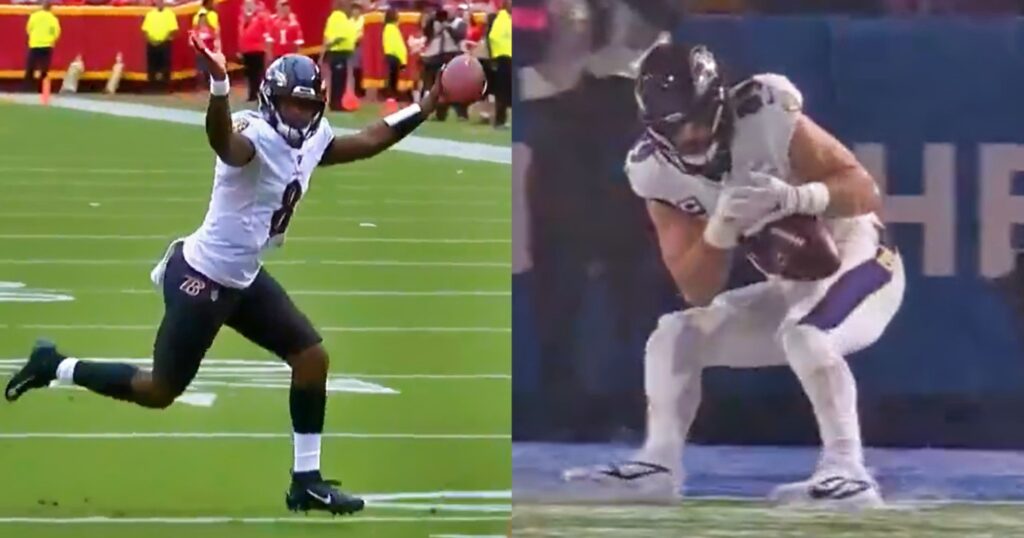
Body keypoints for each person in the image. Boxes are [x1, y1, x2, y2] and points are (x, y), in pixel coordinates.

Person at [4, 32, 459, 516]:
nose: (299, 116)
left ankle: (306, 481)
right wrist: (220, 84)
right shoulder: (254, 135)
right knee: (160, 391)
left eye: (307, 107)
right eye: (290, 105)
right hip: (201, 278)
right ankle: (54, 365)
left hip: (243, 276)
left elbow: (368, 139)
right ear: (269, 101)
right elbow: (224, 142)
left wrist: (426, 105)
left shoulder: (312, 139)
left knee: (311, 359)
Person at [563, 40, 905, 508]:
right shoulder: (653, 174)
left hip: (865, 256)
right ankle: (659, 465)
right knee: (674, 334)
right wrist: (718, 234)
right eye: (682, 125)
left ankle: (849, 471)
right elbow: (696, 289)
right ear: (657, 130)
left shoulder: (764, 110)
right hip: (796, 284)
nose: (698, 132)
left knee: (806, 336)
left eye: (705, 115)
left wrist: (796, 198)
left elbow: (864, 191)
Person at [420, 6, 467, 121]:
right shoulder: (435, 23)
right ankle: (433, 113)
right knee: (434, 86)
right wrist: (431, 20)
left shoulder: (459, 23)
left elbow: (459, 36)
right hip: (435, 56)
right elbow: (427, 34)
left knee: (454, 87)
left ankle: (461, 114)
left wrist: (447, 27)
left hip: (451, 55)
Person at [322, 0, 356, 111]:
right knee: (338, 79)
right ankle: (336, 104)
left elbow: (327, 35)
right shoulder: (338, 17)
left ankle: (336, 102)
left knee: (340, 78)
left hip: (340, 52)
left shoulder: (336, 17)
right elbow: (339, 35)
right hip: (338, 52)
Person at [141, 0, 179, 92]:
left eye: (161, 1)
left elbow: (173, 29)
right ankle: (152, 86)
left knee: (165, 65)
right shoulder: (150, 14)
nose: (159, 3)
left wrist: (163, 40)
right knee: (152, 65)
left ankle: (165, 87)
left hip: (164, 43)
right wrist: (150, 40)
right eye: (158, 1)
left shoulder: (170, 14)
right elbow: (145, 30)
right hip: (151, 43)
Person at [24, 0, 60, 92]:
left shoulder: (34, 16)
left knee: (30, 68)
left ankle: (28, 88)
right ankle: (41, 89)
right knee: (44, 69)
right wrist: (51, 40)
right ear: (50, 8)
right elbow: (56, 33)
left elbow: (28, 29)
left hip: (34, 44)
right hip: (47, 46)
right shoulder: (53, 18)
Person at [238, 0, 271, 102]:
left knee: (258, 73)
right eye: (246, 5)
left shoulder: (260, 17)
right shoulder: (242, 19)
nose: (248, 7)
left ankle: (260, 93)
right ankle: (252, 94)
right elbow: (241, 36)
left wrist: (267, 48)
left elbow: (266, 33)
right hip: (246, 51)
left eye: (250, 5)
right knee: (249, 74)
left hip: (257, 50)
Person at [486, 0, 511, 128]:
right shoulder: (502, 19)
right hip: (504, 58)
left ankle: (502, 119)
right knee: (502, 92)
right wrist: (496, 55)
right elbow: (493, 37)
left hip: (508, 58)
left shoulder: (508, 18)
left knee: (507, 92)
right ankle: (499, 121)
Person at [381, 8, 407, 102]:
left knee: (390, 77)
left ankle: (390, 95)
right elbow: (399, 46)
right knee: (393, 78)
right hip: (395, 56)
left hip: (389, 55)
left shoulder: (386, 28)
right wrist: (403, 61)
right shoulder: (393, 29)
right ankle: (392, 96)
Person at [193, 11, 221, 91]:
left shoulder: (211, 29)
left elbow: (215, 38)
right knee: (201, 69)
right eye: (201, 19)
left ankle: (210, 83)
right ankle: (201, 84)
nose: (202, 21)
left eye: (204, 19)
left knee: (210, 68)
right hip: (200, 52)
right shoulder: (196, 30)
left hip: (209, 51)